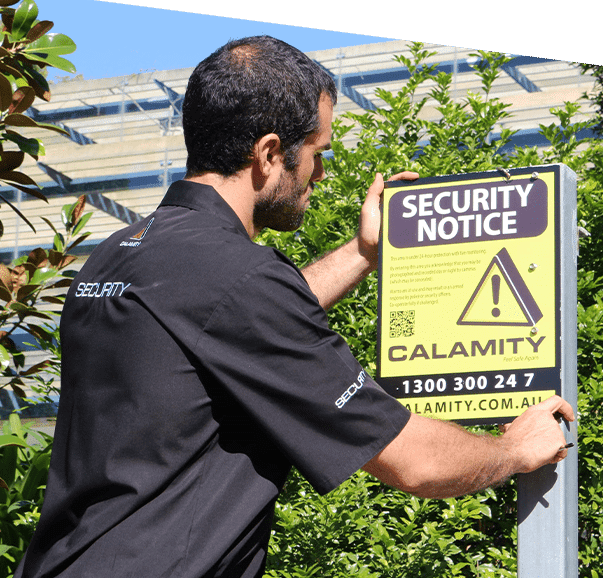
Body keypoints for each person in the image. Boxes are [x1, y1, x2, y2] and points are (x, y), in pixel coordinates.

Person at [15, 36, 573, 578]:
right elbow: (415, 463)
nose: (321, 175)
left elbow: (231, 325)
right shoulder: (238, 276)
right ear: (269, 153)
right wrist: (513, 449)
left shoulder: (119, 255)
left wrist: (362, 252)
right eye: (317, 153)